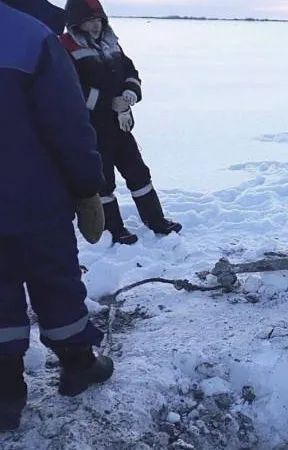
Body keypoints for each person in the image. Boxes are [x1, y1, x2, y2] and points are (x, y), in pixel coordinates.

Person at [1, 0, 114, 431]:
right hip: (35, 199)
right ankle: (78, 364)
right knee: (55, 279)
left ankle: (4, 393)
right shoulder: (31, 37)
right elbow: (67, 123)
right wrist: (88, 187)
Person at [60, 0, 182, 245]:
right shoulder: (66, 48)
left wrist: (130, 93)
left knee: (138, 173)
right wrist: (108, 101)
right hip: (91, 129)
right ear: (76, 23)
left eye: (99, 20)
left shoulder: (111, 43)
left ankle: (155, 220)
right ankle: (113, 230)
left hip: (120, 123)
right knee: (104, 181)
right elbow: (70, 90)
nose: (95, 26)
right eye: (89, 21)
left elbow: (130, 72)